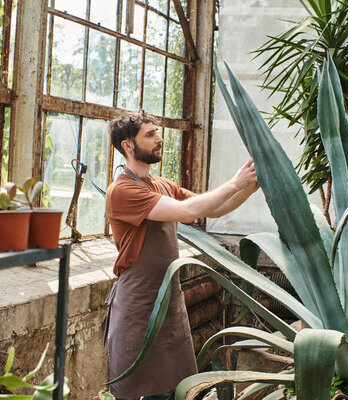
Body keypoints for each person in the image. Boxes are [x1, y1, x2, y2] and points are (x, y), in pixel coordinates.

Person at [105, 110, 260, 400]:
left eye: (158, 132)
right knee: (144, 392)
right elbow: (188, 211)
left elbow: (209, 209)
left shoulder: (161, 185)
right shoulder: (122, 191)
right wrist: (236, 182)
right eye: (150, 135)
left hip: (170, 305)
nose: (159, 139)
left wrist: (248, 188)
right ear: (127, 145)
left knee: (178, 390)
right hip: (139, 308)